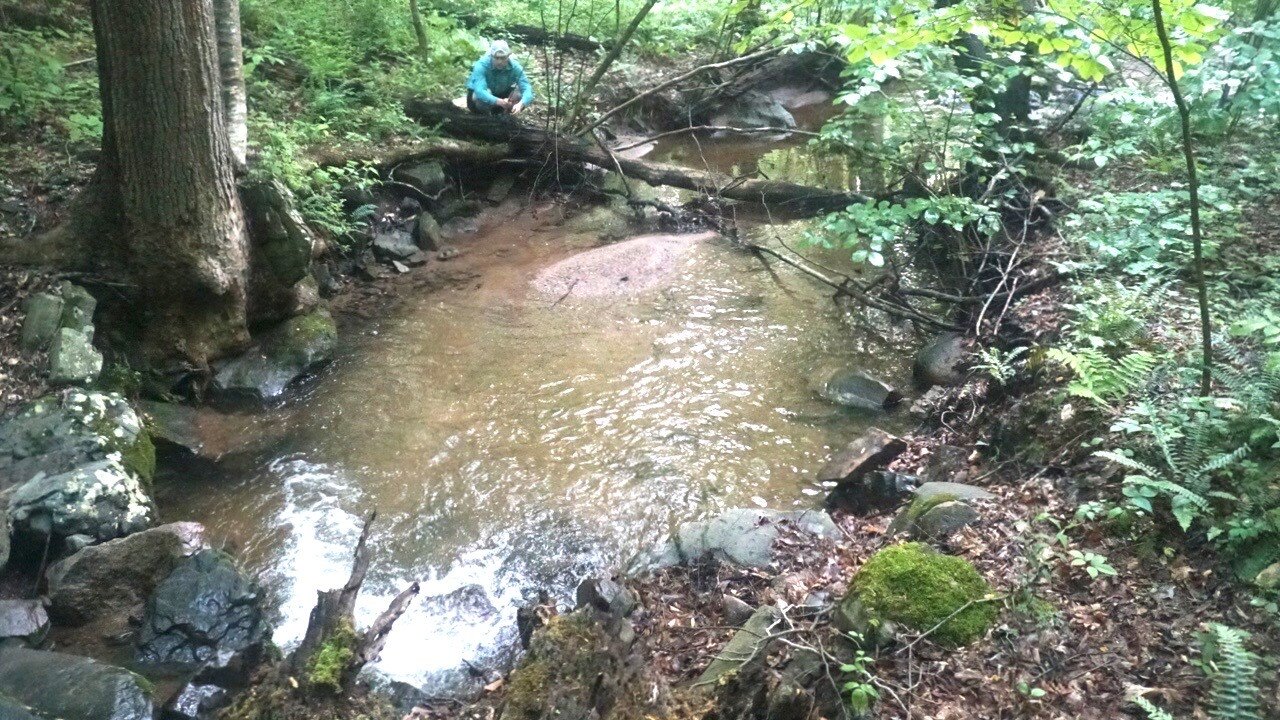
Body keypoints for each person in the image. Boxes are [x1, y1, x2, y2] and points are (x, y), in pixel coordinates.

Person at [466, 40, 534, 115]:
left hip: (503, 97)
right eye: (496, 58)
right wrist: (498, 101)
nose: (499, 62)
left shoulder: (515, 67)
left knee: (518, 93)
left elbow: (527, 88)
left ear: (508, 57)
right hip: (479, 101)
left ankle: (507, 115)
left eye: (503, 58)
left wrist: (521, 104)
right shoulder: (481, 65)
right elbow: (480, 91)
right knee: (483, 94)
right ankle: (484, 117)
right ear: (491, 56)